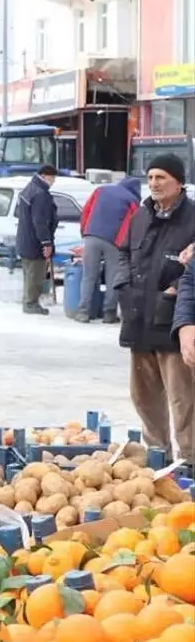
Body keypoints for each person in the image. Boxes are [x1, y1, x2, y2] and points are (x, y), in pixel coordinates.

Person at [117, 155, 195, 467]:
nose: (154, 184)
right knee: (144, 396)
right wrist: (122, 285)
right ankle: (157, 455)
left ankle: (189, 459)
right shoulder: (140, 216)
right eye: (150, 177)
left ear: (179, 182)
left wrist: (175, 289)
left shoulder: (192, 218)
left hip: (174, 322)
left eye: (161, 177)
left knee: (183, 398)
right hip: (138, 320)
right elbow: (121, 252)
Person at [76, 175, 141, 323]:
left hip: (91, 236)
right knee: (113, 278)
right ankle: (109, 314)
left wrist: (85, 232)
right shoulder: (132, 200)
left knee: (89, 276)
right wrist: (127, 246)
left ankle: (83, 312)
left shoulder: (101, 190)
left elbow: (86, 211)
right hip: (115, 242)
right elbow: (134, 224)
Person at [16, 163, 59, 316]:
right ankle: (31, 303)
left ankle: (27, 300)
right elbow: (40, 221)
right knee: (35, 273)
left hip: (25, 238)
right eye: (52, 177)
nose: (53, 181)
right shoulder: (40, 194)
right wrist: (46, 242)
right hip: (35, 241)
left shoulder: (29, 189)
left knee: (29, 272)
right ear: (44, 176)